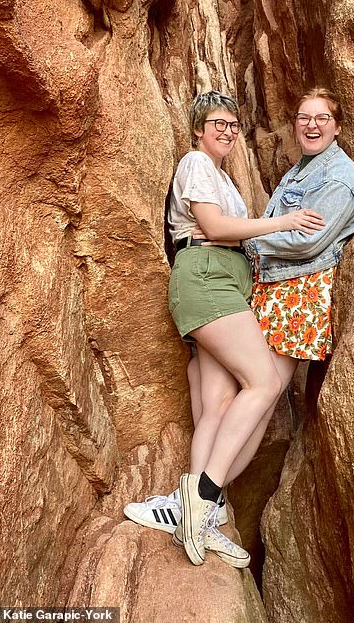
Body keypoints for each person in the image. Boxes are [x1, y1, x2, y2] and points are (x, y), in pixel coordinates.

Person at [124, 91, 324, 569]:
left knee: (216, 406)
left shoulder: (225, 179)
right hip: (207, 276)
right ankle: (203, 496)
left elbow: (229, 229)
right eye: (218, 123)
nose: (228, 131)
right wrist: (283, 223)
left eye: (234, 125)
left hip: (227, 281)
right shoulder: (195, 163)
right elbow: (212, 226)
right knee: (266, 382)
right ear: (198, 128)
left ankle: (188, 510)